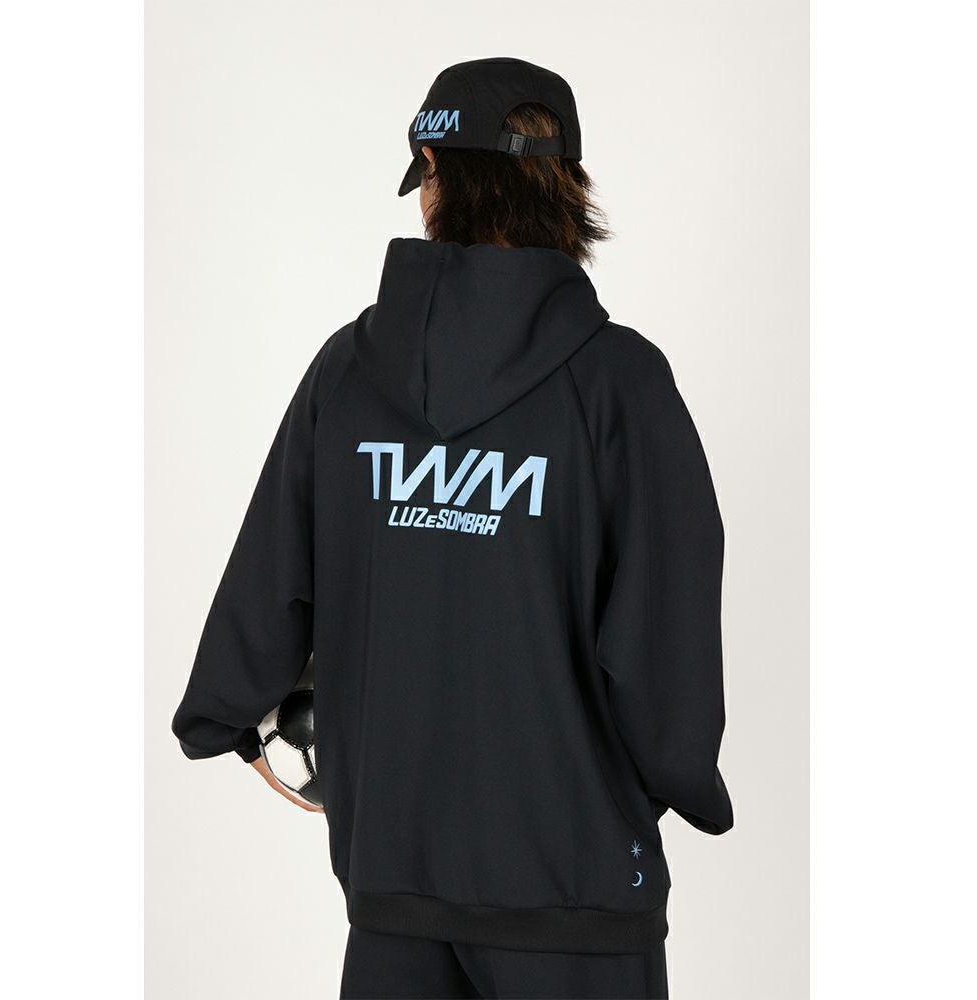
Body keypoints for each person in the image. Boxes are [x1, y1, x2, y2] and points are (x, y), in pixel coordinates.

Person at [172, 57, 733, 1000]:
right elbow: (663, 637)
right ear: (567, 183)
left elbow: (269, 583)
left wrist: (231, 717)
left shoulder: (347, 375)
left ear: (434, 170)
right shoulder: (620, 384)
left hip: (394, 883)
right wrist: (670, 783)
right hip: (576, 896)